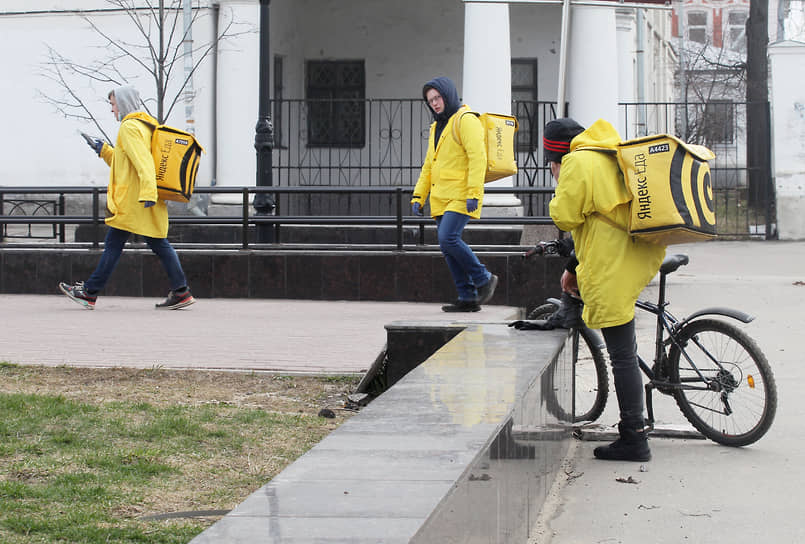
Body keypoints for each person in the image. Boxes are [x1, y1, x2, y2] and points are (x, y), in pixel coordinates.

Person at [541, 117, 665, 461]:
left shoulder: (576, 163)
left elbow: (565, 217)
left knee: (622, 356)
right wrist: (573, 268)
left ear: (556, 155)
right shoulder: (609, 153)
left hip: (613, 264)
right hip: (634, 252)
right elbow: (597, 220)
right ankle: (635, 430)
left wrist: (558, 182)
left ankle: (634, 438)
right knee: (625, 349)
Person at [59, 84, 195, 310]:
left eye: (113, 104)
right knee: (158, 244)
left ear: (122, 104)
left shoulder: (129, 127)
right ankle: (181, 291)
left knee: (115, 244)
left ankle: (89, 293)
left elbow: (143, 162)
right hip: (144, 198)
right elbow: (126, 165)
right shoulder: (146, 125)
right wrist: (103, 150)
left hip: (135, 200)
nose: (112, 109)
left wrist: (148, 192)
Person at [411, 76, 498, 312]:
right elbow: (429, 165)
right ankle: (467, 297)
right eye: (430, 100)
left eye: (438, 97)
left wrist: (473, 193)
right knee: (447, 246)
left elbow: (477, 158)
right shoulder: (437, 127)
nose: (435, 103)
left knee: (448, 238)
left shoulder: (466, 120)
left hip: (461, 194)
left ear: (448, 95)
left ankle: (484, 279)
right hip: (441, 196)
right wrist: (419, 196)